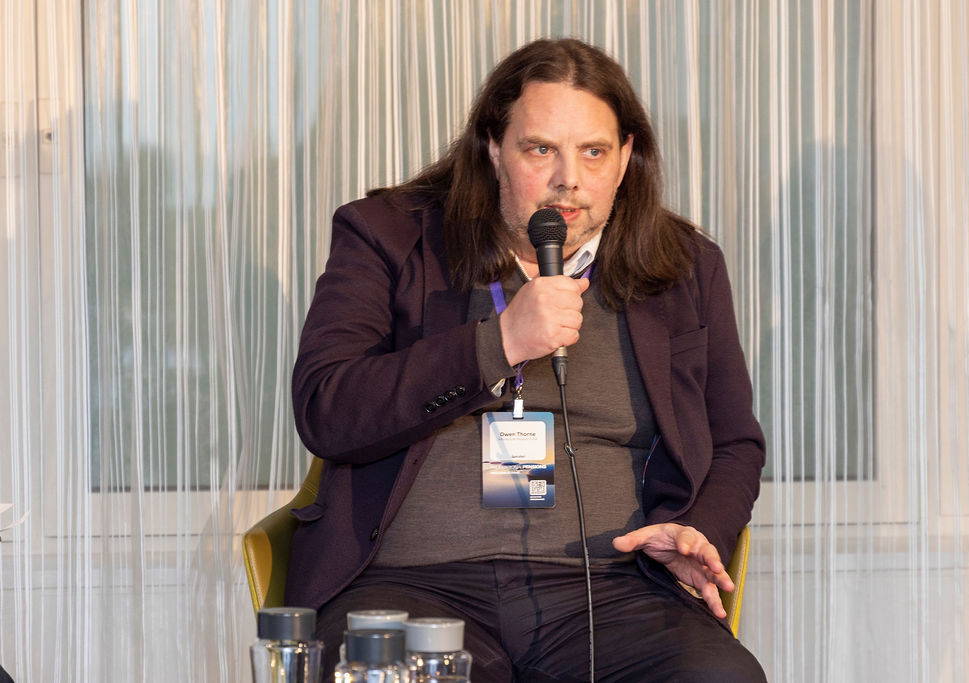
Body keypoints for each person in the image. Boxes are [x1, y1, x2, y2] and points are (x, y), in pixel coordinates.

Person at [287, 38, 766, 682]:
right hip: (409, 586)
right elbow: (327, 409)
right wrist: (499, 342)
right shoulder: (389, 236)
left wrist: (699, 528)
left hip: (609, 591)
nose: (569, 178)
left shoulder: (684, 266)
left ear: (626, 157)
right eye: (540, 149)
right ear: (492, 148)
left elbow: (735, 441)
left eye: (593, 151)